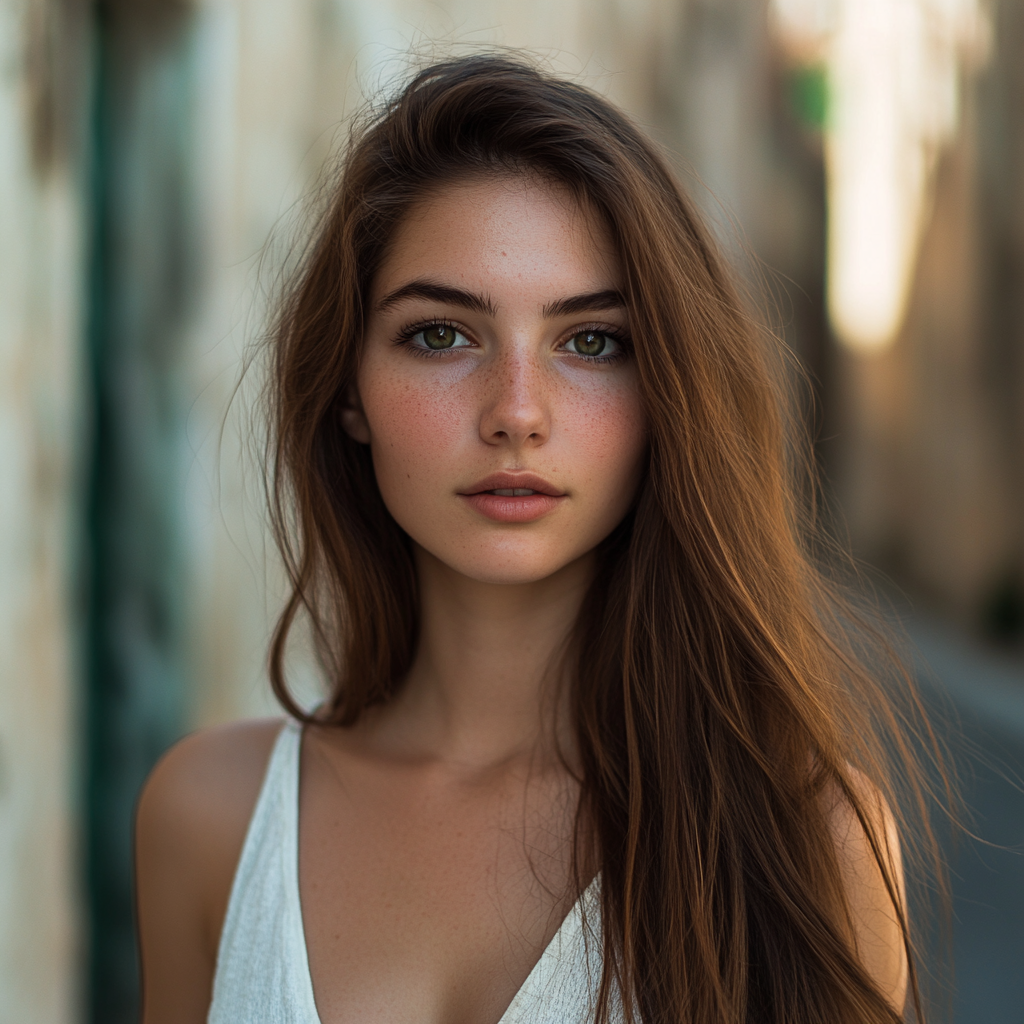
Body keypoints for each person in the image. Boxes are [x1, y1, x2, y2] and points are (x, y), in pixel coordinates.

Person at [135, 54, 926, 1023]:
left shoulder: (807, 839)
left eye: (590, 342)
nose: (516, 413)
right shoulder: (207, 820)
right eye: (441, 335)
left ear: (663, 394)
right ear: (349, 391)